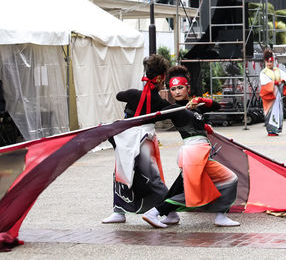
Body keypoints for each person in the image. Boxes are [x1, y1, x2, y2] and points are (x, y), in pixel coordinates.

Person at [143, 65, 240, 228]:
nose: (177, 92)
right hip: (193, 153)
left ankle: (170, 214)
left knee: (185, 185)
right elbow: (153, 113)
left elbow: (216, 106)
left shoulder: (195, 106)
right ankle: (156, 212)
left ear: (187, 88)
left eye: (180, 87)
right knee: (225, 180)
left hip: (201, 153)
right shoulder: (174, 109)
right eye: (173, 89)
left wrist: (201, 101)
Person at [102, 54, 172, 224]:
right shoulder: (158, 102)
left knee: (126, 174)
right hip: (139, 139)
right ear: (161, 78)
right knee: (148, 177)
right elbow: (174, 111)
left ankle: (169, 211)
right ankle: (121, 211)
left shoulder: (134, 95)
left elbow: (119, 95)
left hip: (131, 138)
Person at [259, 49, 286, 136]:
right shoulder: (263, 72)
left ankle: (277, 128)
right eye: (268, 62)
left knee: (278, 110)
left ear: (273, 61)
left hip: (277, 94)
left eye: (271, 61)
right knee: (270, 111)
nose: (269, 63)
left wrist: (283, 81)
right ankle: (271, 129)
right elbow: (264, 83)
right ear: (265, 62)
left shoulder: (277, 70)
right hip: (269, 96)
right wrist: (275, 83)